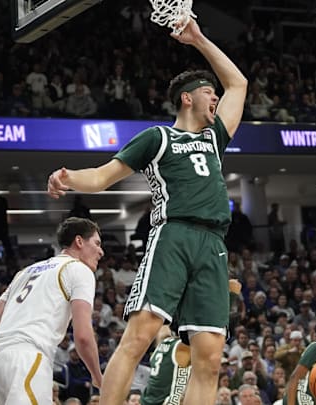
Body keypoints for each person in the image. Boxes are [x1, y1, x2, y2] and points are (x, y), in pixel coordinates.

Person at [47, 17, 247, 405]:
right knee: (139, 335)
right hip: (173, 235)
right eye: (209, 93)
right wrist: (68, 176)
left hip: (214, 244)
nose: (216, 99)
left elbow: (239, 83)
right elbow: (104, 176)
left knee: (208, 358)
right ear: (187, 98)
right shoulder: (158, 137)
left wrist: (199, 39)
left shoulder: (214, 137)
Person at [0, 217, 104, 404]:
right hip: (26, 358)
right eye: (97, 243)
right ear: (79, 241)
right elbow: (83, 336)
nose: (101, 251)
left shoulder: (25, 272)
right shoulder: (79, 270)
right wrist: (98, 377)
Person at [142, 280, 242, 405]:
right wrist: (231, 297)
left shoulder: (164, 342)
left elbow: (164, 322)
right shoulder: (184, 347)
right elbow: (213, 330)